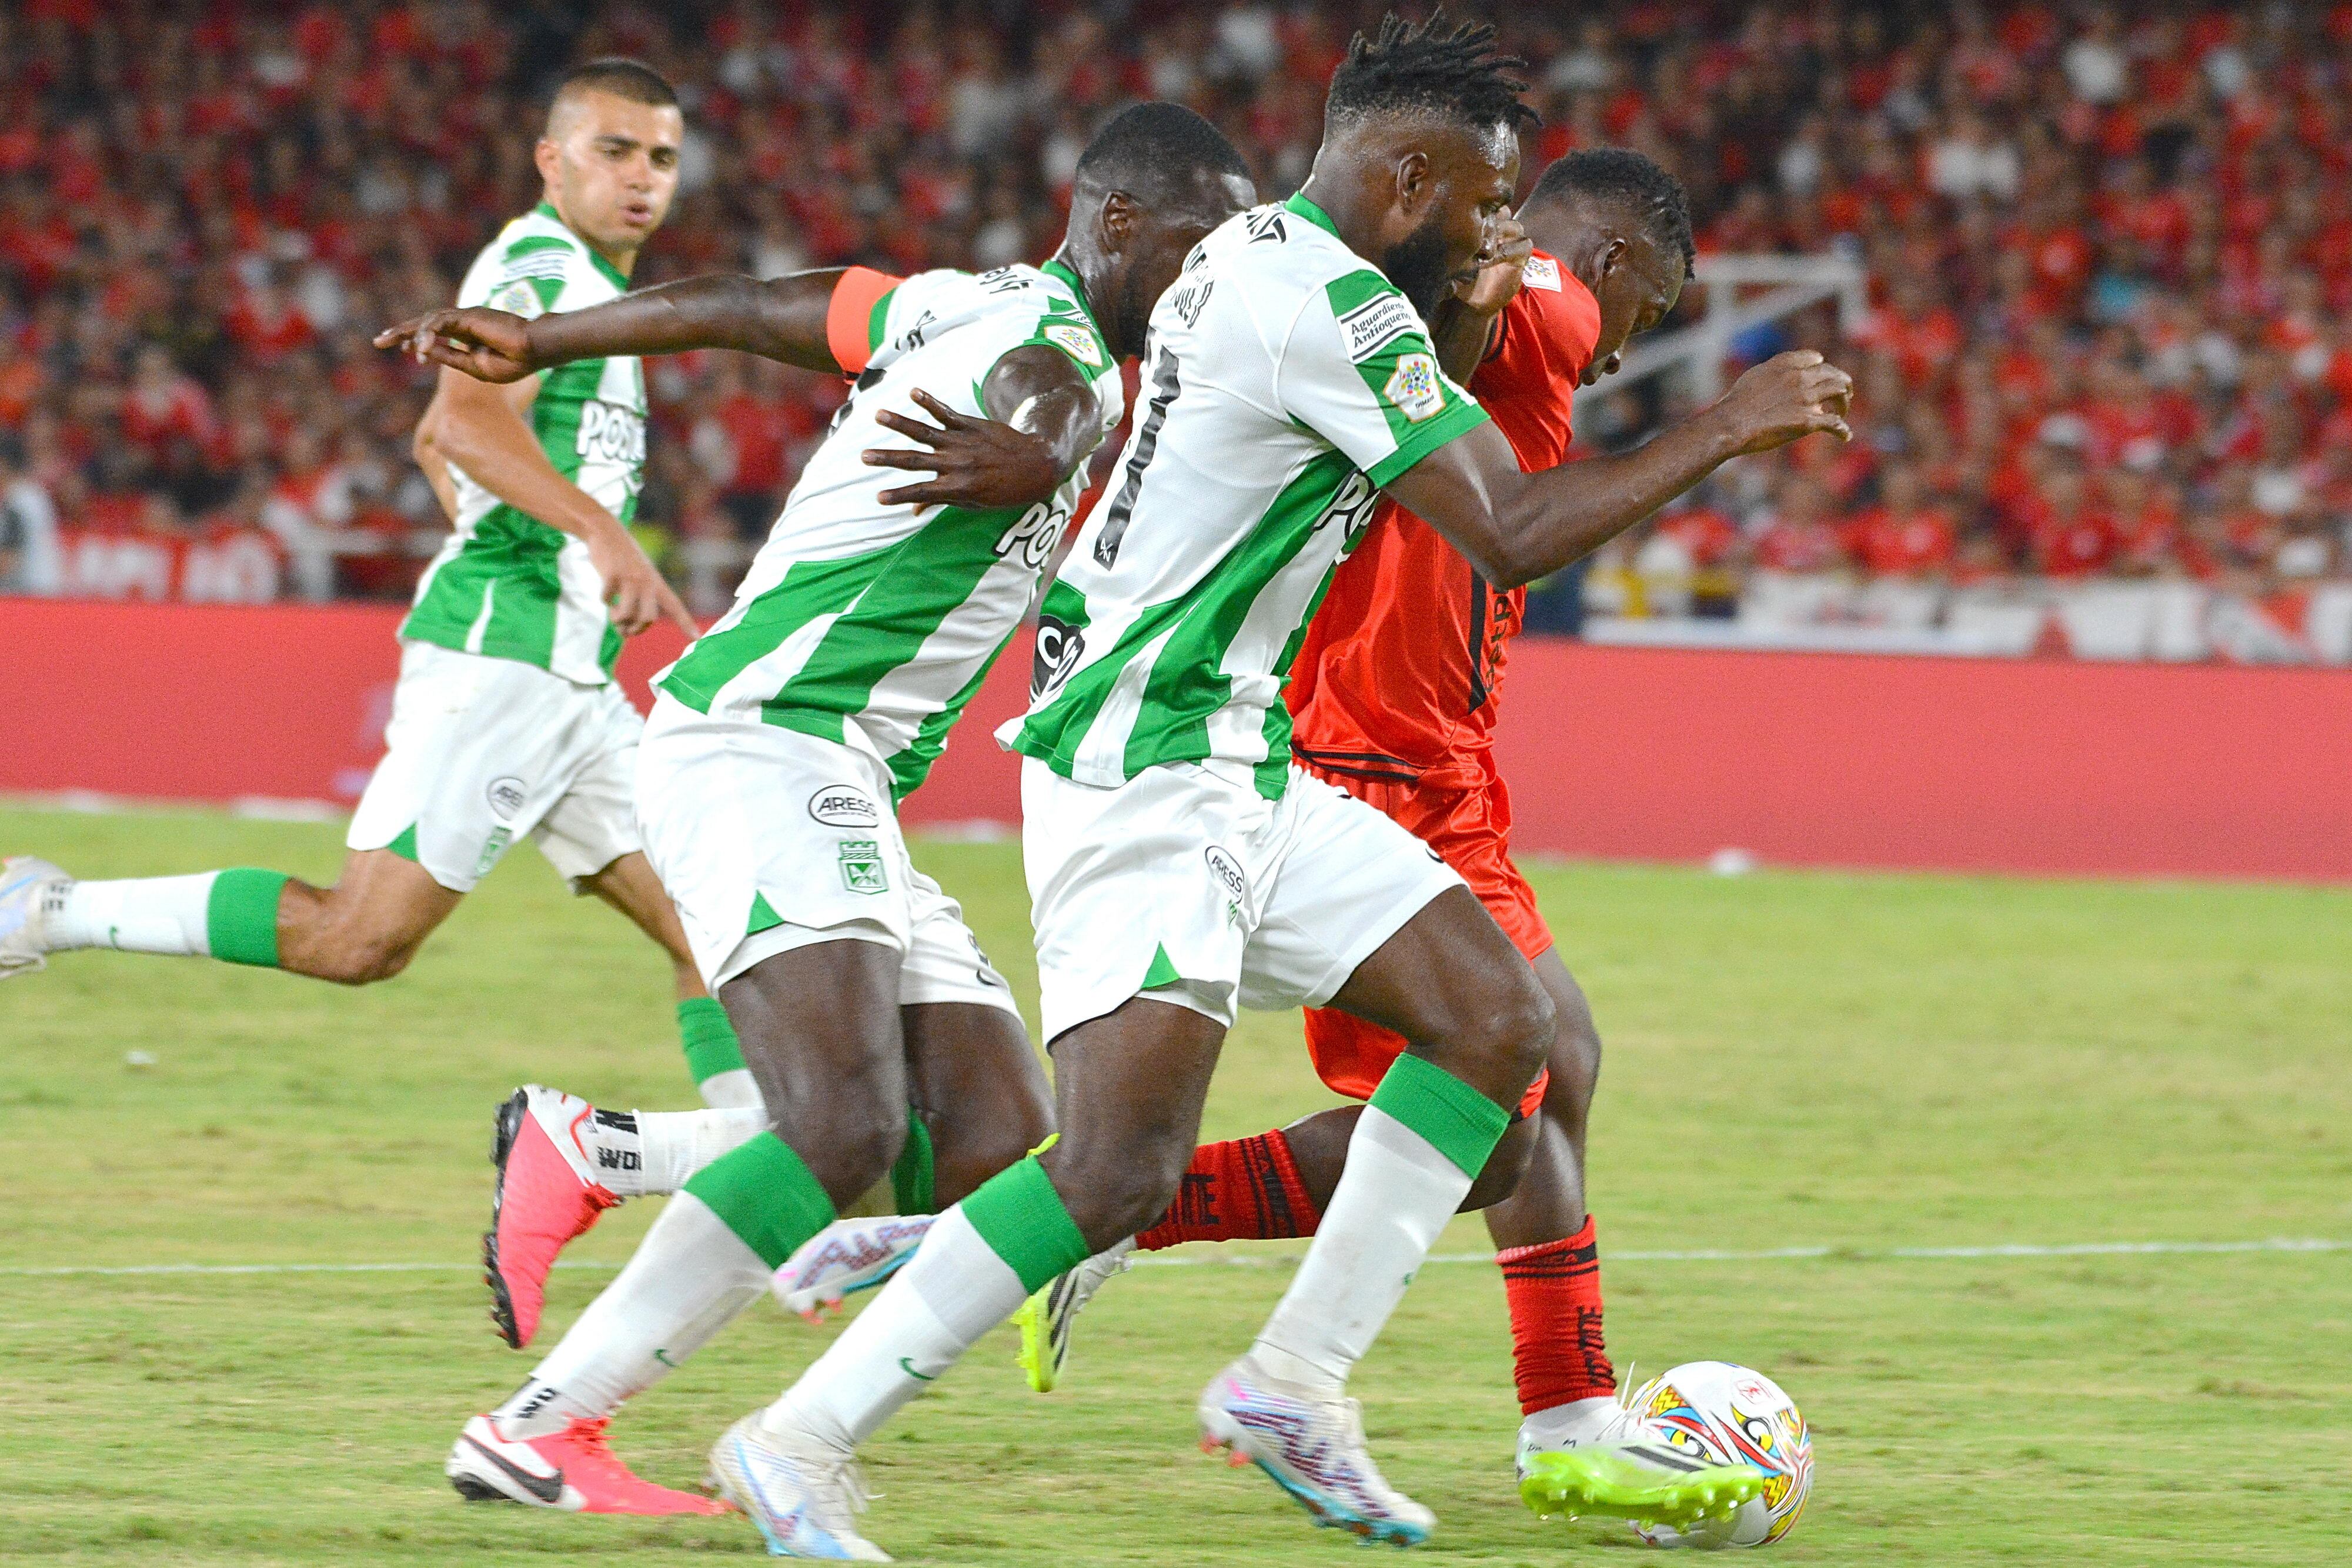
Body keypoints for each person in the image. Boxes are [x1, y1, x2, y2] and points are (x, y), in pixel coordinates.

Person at [701, 14, 1849, 1558]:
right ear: (1410, 174)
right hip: (1143, 768)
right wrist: (1725, 424)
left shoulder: (1254, 253)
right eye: (1489, 203)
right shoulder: (1330, 304)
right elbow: (1504, 529)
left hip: (1236, 750)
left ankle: (1292, 1382)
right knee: (1112, 1167)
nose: (1505, 237)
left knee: (1500, 1025)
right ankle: (796, 1437)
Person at [377, 102, 1259, 1522]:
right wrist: (1040, 451)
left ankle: (603, 1149)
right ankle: (545, 1425)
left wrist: (549, 341)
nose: (1208, 283)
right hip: (771, 736)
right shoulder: (1060, 361)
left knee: (989, 1139)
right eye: (1195, 249)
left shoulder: (947, 299)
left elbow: (759, 306)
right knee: (839, 1123)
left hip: (829, 766)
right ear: (1114, 223)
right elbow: (1032, 398)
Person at [1015, 145, 1778, 1519]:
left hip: (1429, 756)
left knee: (1535, 1074)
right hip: (1369, 756)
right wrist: (1658, 381)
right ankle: (1121, 1218)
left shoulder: (1474, 316)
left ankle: (1557, 1414)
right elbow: (1517, 314)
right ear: (1612, 264)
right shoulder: (1550, 288)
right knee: (1496, 1100)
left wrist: (1457, 297)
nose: (1616, 358)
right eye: (1645, 312)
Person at [0, 61, 758, 1112]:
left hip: (571, 673)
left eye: (662, 158)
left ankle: (773, 1214)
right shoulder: (545, 269)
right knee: (357, 937)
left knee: (713, 935)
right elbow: (459, 421)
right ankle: (43, 908)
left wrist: (509, 522)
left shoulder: (586, 285)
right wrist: (597, 534)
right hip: (505, 651)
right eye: (614, 150)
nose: (642, 177)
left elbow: (432, 442)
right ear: (552, 158)